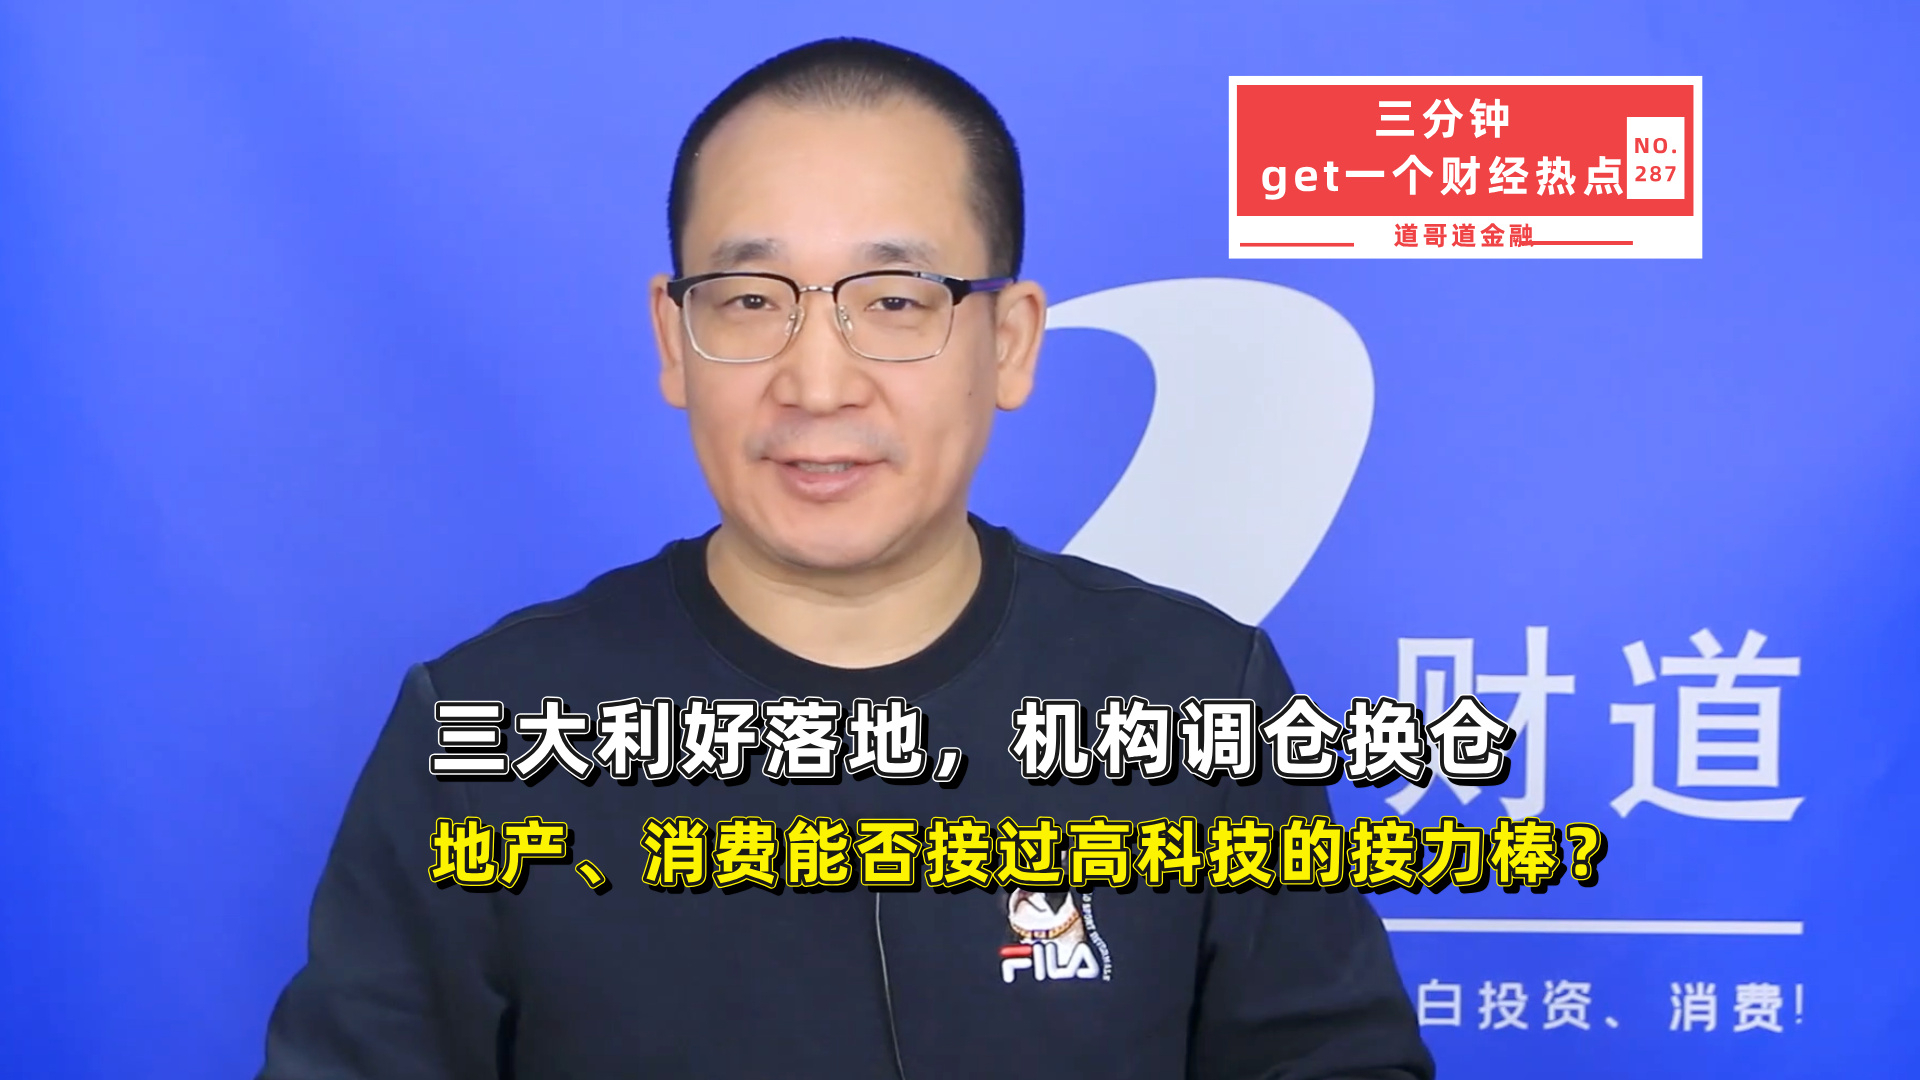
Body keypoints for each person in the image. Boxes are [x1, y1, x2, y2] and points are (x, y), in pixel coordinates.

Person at [260, 37, 1433, 1079]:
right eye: (748, 299)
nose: (818, 383)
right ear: (673, 337)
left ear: (1010, 341)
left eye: (895, 301)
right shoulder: (489, 733)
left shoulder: (1196, 698)